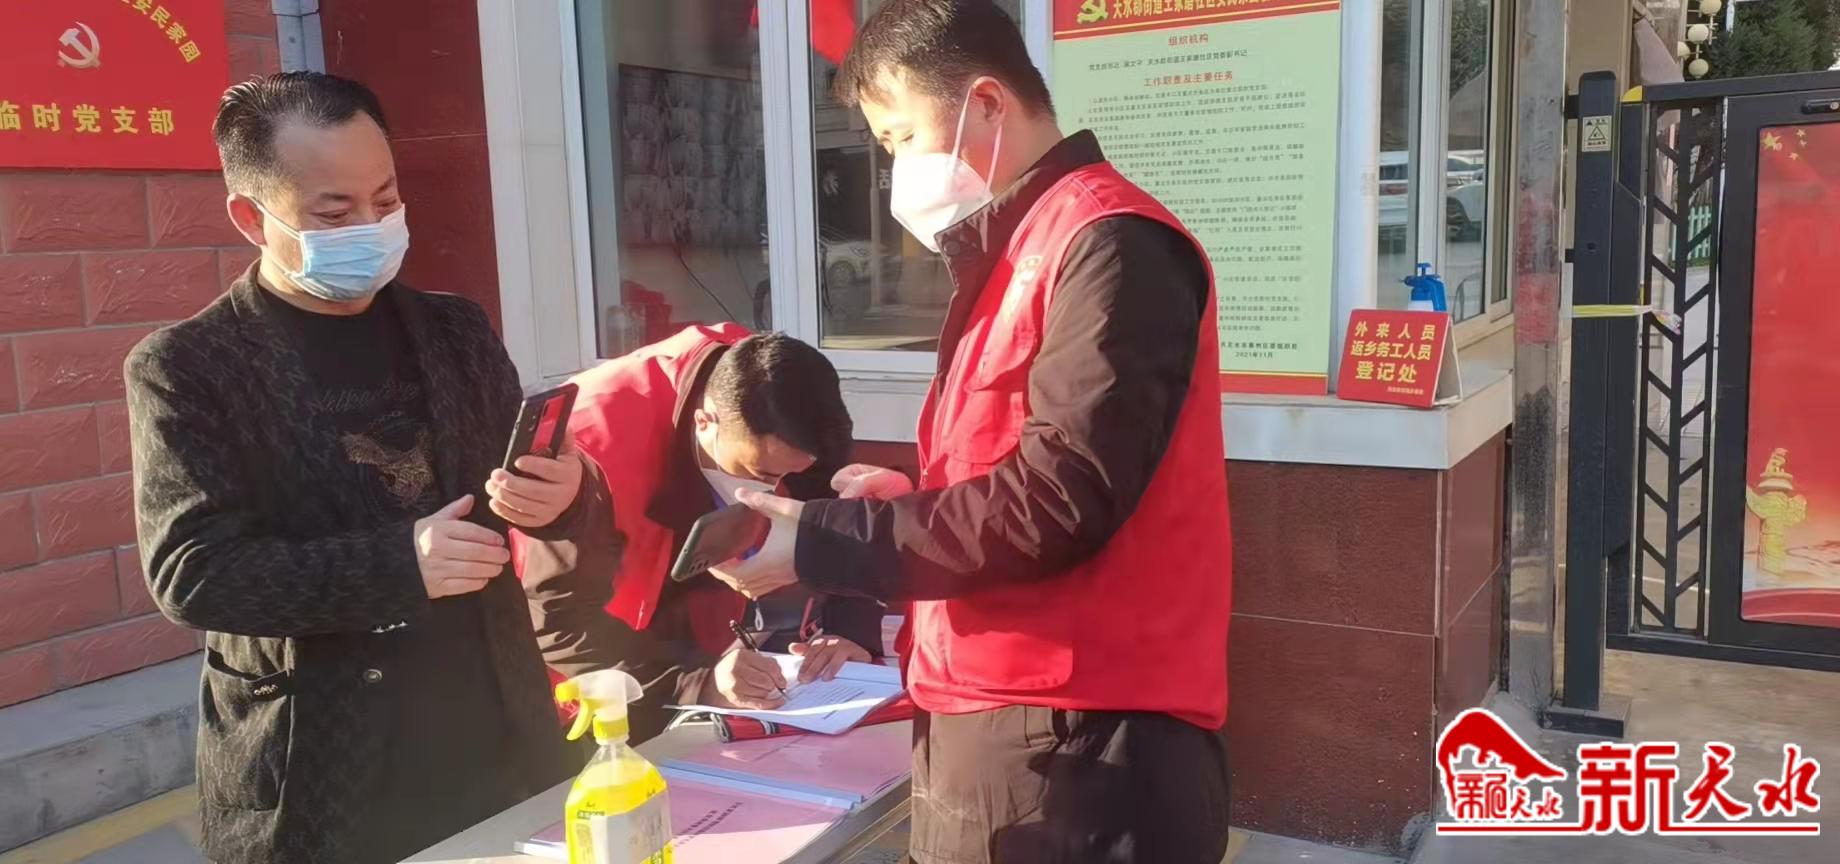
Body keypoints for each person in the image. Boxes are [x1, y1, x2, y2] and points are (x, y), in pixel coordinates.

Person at [705, 2, 1232, 862]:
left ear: (987, 103)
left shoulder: (1109, 245)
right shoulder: (1017, 251)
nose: (895, 170)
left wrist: (824, 542)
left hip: (1080, 740)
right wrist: (909, 501)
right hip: (1002, 712)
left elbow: (1058, 501)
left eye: (901, 137)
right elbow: (1012, 478)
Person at [125, 72, 584, 864]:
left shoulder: (455, 329)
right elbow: (191, 573)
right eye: (334, 213)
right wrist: (399, 563)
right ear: (251, 217)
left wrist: (563, 497)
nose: (371, 227)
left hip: (494, 730)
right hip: (319, 759)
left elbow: (509, 494)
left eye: (386, 198)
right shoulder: (188, 367)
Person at [519, 325, 883, 747]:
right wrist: (699, 682)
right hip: (602, 662)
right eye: (761, 473)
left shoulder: (774, 386)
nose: (775, 490)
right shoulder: (590, 448)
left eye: (792, 474)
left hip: (715, 637)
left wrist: (851, 629)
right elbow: (559, 626)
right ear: (704, 422)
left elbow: (838, 515)